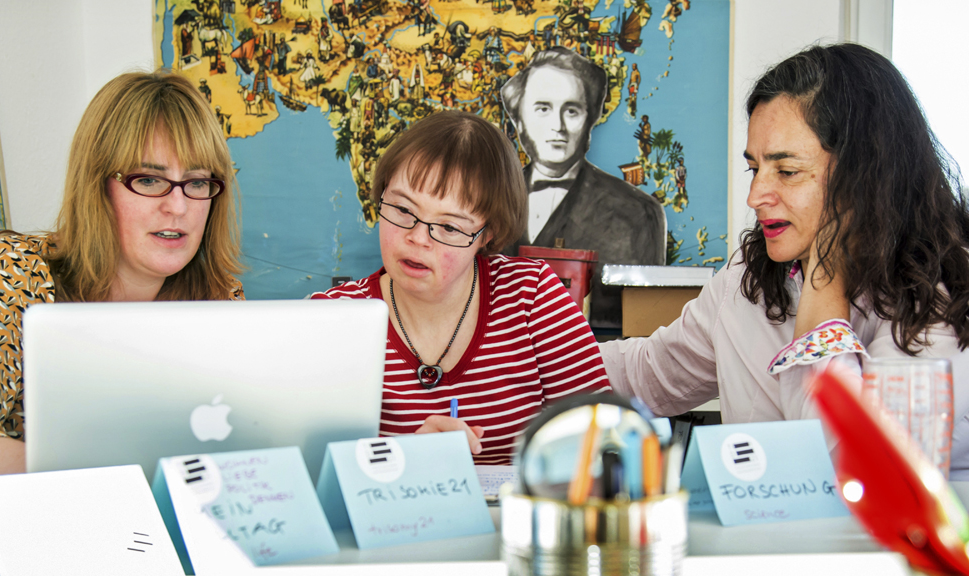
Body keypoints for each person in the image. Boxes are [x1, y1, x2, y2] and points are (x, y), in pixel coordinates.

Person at [600, 43, 969, 477]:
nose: (756, 196)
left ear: (866, 173)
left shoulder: (941, 292)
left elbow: (845, 470)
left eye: (787, 171)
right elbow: (651, 373)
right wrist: (529, 348)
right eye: (754, 168)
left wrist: (824, 280)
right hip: (768, 544)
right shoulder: (749, 276)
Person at [0, 70, 244, 479]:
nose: (178, 207)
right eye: (149, 179)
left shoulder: (219, 295)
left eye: (197, 181)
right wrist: (124, 476)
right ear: (97, 185)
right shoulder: (8, 271)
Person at [313, 110, 611, 464]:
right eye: (403, 209)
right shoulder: (332, 318)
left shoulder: (532, 296)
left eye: (450, 228)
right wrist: (402, 461)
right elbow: (310, 475)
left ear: (488, 235)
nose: (417, 238)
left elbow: (605, 443)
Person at [500, 47, 666, 330]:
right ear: (518, 120)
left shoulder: (639, 213)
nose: (558, 126)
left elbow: (644, 328)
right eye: (543, 108)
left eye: (572, 111)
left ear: (590, 120)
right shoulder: (484, 204)